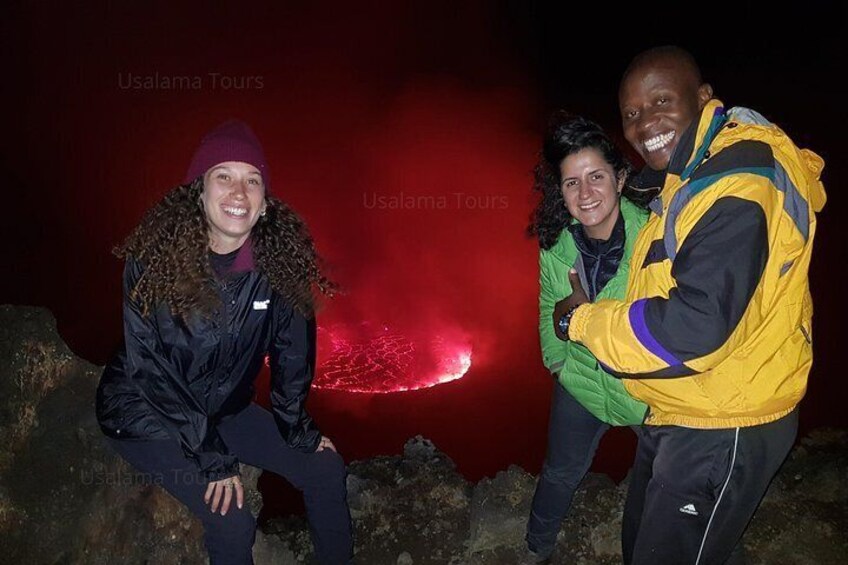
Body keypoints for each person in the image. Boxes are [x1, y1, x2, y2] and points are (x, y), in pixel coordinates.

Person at [554, 46, 827, 564]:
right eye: (631, 114)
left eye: (661, 101)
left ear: (702, 98)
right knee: (647, 543)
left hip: (726, 418)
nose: (644, 123)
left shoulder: (737, 180)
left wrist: (579, 320)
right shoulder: (686, 180)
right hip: (685, 406)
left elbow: (692, 325)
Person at [96, 120, 353, 564]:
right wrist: (210, 455)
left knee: (326, 468)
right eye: (224, 177)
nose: (239, 192)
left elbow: (293, 355)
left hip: (224, 409)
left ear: (265, 204)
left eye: (252, 180)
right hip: (147, 411)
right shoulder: (156, 263)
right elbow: (150, 369)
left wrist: (298, 429)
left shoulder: (278, 270)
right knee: (232, 519)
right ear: (199, 193)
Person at [524, 114, 650, 563]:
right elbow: (547, 309)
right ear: (560, 192)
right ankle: (536, 549)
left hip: (646, 390)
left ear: (619, 178)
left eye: (596, 176)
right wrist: (558, 362)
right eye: (571, 182)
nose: (585, 193)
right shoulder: (557, 245)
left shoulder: (655, 239)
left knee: (656, 483)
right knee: (558, 473)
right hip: (579, 381)